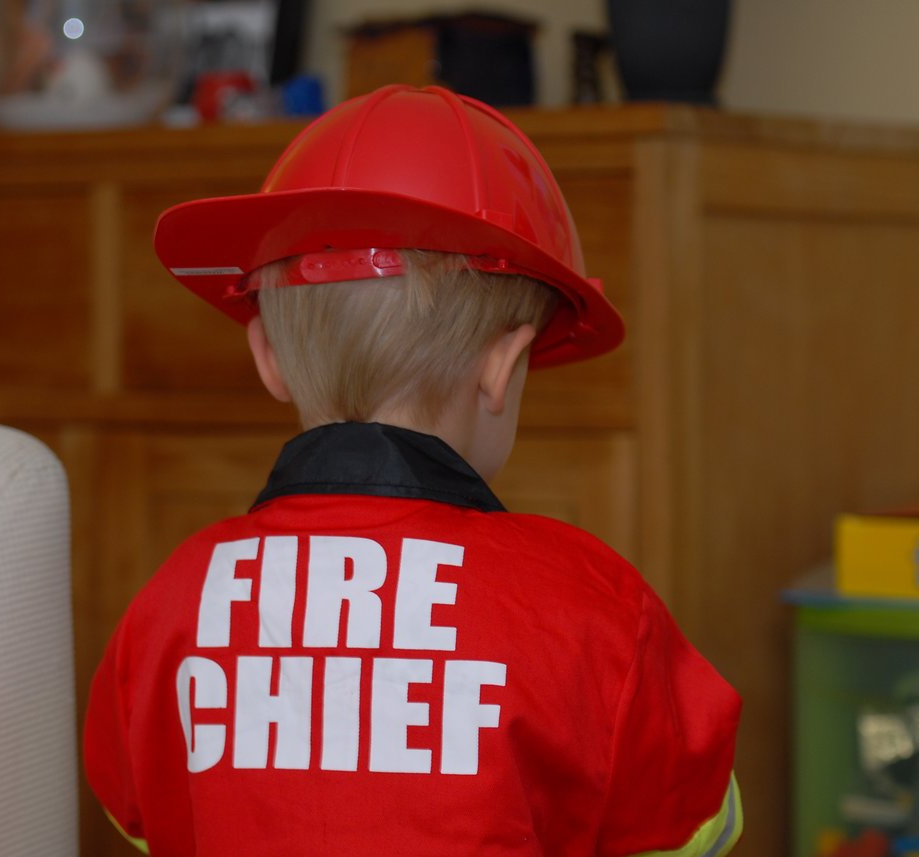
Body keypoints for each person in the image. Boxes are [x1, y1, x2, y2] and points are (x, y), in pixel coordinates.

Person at [83, 84, 742, 857]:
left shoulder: (171, 603)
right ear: (503, 366)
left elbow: (135, 811)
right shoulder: (593, 607)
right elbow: (697, 822)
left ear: (268, 358)